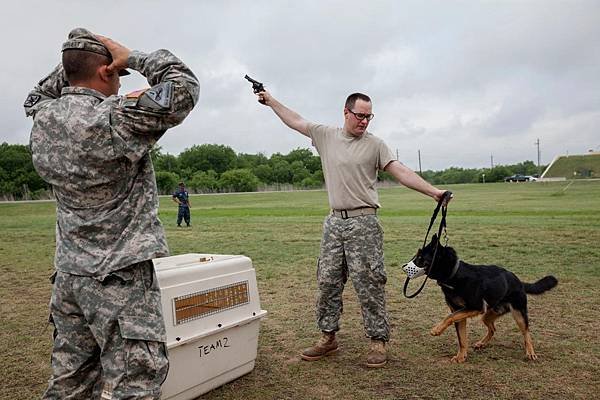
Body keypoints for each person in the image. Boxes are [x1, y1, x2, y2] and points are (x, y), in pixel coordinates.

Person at [24, 28, 199, 399]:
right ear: (105, 71)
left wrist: (76, 55)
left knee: (69, 382)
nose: (121, 83)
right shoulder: (116, 117)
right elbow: (183, 86)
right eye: (117, 73)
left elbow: (40, 93)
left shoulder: (43, 116)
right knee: (132, 384)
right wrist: (131, 55)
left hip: (70, 276)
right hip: (120, 277)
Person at [254, 90, 450, 368]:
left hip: (364, 223)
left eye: (369, 117)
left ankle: (378, 341)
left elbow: (401, 171)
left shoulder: (376, 145)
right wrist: (271, 101)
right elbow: (296, 120)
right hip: (334, 223)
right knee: (327, 281)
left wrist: (433, 192)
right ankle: (328, 337)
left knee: (369, 283)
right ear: (346, 112)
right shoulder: (325, 135)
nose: (365, 122)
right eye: (360, 116)